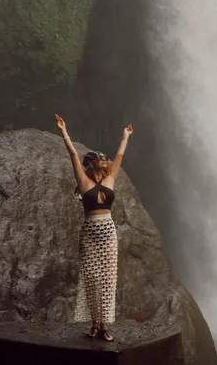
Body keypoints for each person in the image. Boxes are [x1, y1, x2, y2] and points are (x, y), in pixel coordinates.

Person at [55, 114, 133, 342]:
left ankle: (105, 326)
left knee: (107, 279)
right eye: (100, 158)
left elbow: (119, 156)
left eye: (105, 158)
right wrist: (63, 131)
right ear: (91, 163)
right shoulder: (84, 181)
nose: (105, 160)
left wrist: (125, 136)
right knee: (91, 279)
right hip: (89, 232)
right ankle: (94, 324)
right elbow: (72, 155)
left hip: (108, 231)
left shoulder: (110, 179)